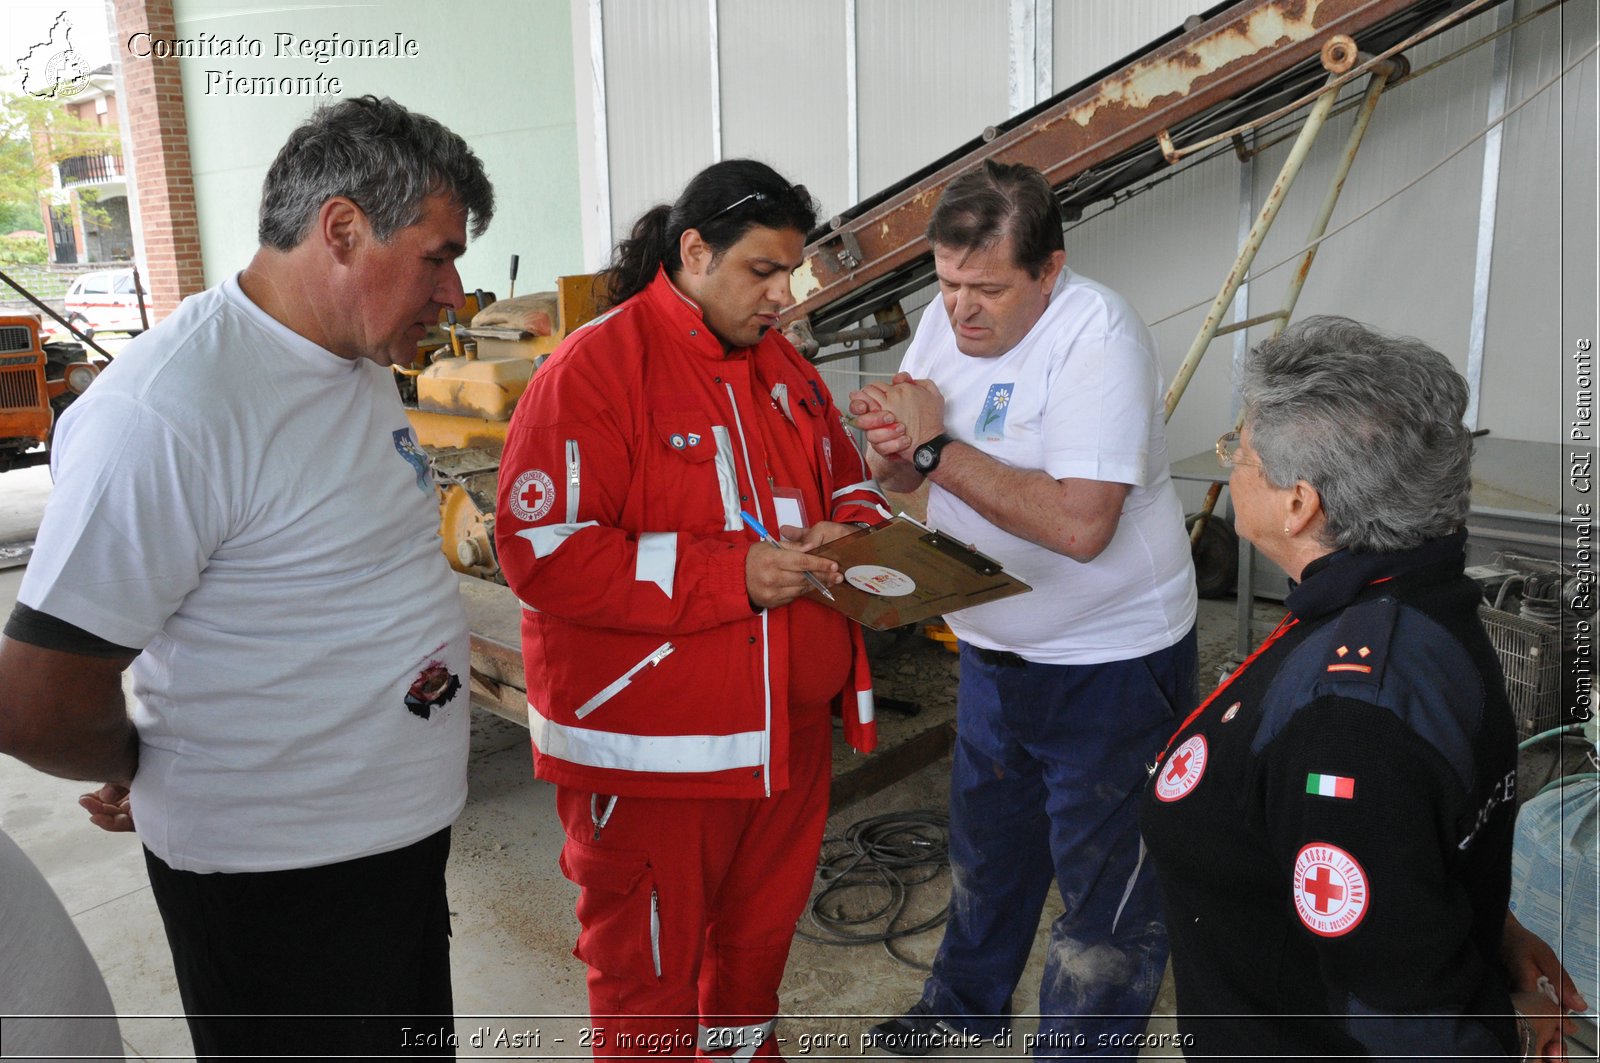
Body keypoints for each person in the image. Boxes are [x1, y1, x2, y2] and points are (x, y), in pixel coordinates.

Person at [0, 95, 494, 1058]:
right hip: (280, 887)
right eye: (438, 256)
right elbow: (34, 699)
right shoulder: (171, 410)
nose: (454, 292)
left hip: (384, 854)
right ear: (342, 228)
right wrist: (137, 759)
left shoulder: (347, 361)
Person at [493, 159, 887, 1058]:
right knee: (649, 996)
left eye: (792, 272)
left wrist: (854, 532)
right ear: (695, 251)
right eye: (763, 271)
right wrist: (731, 575)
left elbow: (848, 478)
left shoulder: (783, 364)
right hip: (656, 763)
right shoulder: (594, 368)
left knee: (752, 969)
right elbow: (539, 549)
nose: (783, 294)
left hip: (786, 749)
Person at [1138, 317, 1586, 1058]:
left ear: (1299, 504)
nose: (1229, 466)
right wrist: (1496, 931)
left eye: (1238, 454)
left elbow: (1401, 1008)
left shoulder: (1351, 716)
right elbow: (1408, 842)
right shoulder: (1416, 598)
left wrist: (1501, 1025)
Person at [850, 160, 1198, 1056]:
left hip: (1108, 663)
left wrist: (931, 450)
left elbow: (1082, 526)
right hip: (993, 645)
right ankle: (962, 1007)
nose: (963, 310)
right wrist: (892, 455)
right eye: (949, 283)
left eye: (989, 289)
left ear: (1050, 270)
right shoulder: (943, 321)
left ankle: (1080, 1048)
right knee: (988, 853)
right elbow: (912, 487)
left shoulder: (1098, 337)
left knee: (1106, 891)